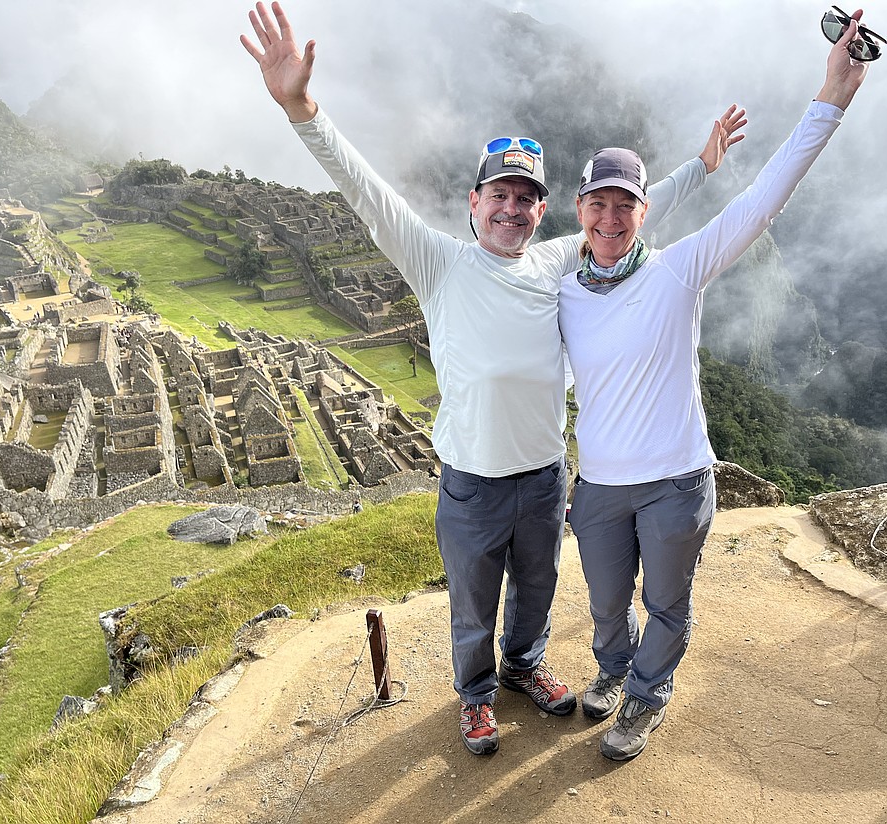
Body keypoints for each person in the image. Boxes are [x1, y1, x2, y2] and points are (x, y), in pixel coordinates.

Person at [240, 0, 743, 755]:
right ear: (474, 202)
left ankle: (524, 667)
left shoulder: (556, 259)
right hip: (472, 478)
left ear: (542, 211)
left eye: (526, 198)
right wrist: (302, 110)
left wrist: (700, 167)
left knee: (537, 589)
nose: (512, 208)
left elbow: (630, 214)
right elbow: (366, 191)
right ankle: (475, 696)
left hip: (542, 475)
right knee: (474, 603)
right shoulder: (438, 262)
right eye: (499, 194)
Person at [559, 11, 872, 761]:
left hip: (674, 480)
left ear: (644, 212)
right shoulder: (562, 289)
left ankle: (646, 695)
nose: (610, 218)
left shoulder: (679, 269)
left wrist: (832, 96)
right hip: (598, 486)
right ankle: (613, 669)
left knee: (666, 603)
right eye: (598, 203)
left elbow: (762, 199)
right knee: (606, 603)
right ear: (579, 210)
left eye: (625, 205)